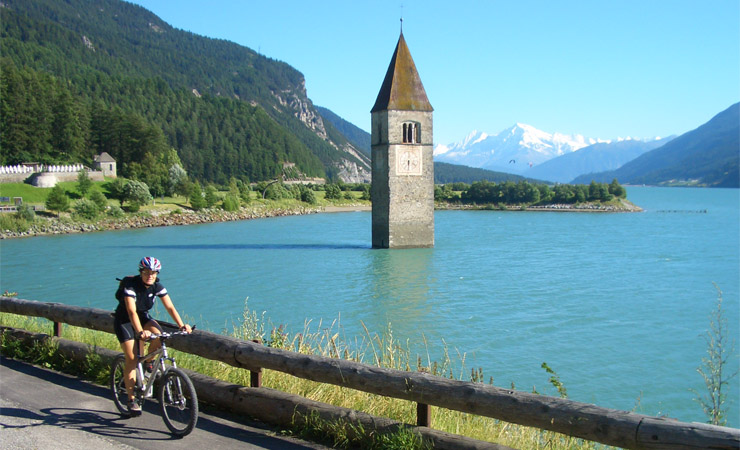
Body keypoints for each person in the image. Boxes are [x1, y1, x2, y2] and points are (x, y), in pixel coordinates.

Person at [113, 257, 192, 415]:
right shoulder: (131, 285)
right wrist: (140, 332)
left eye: (153, 273)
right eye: (146, 272)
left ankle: (149, 363)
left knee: (160, 336)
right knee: (132, 358)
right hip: (124, 320)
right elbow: (131, 312)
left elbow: (169, 306)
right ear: (141, 272)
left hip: (143, 317)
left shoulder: (157, 287)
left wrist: (182, 324)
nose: (150, 275)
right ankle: (131, 400)